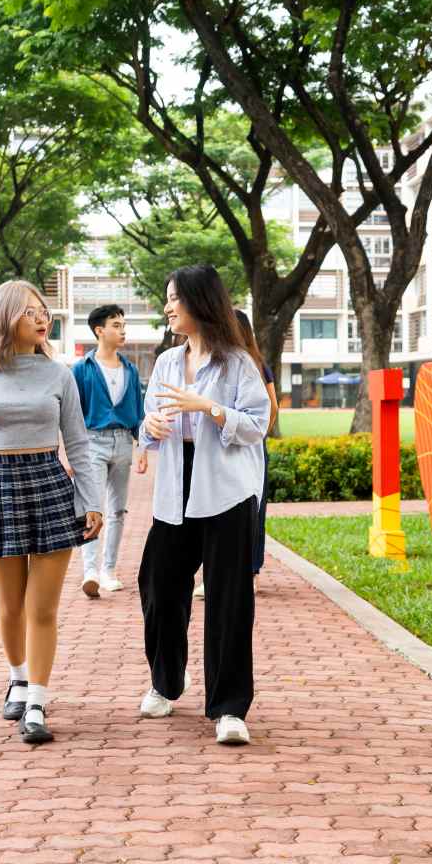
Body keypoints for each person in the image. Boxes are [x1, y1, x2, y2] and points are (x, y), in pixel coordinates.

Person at [0, 280, 103, 744]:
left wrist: (92, 501)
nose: (42, 320)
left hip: (51, 487)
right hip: (0, 488)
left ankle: (36, 702)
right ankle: (17, 679)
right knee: (9, 606)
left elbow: (78, 442)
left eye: (45, 313)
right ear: (5, 318)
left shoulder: (60, 375)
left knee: (43, 608)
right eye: (30, 313)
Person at [137, 265, 271, 746]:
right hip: (176, 487)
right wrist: (149, 428)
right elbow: (150, 418)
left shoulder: (237, 363)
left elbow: (257, 424)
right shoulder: (167, 362)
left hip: (227, 490)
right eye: (168, 298)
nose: (168, 307)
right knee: (157, 586)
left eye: (175, 298)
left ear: (200, 301)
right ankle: (166, 681)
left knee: (229, 600)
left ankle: (229, 708)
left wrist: (209, 408)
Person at [71, 304, 147, 599]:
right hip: (93, 443)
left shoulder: (131, 369)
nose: (122, 330)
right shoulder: (82, 369)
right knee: (92, 507)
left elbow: (138, 413)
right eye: (116, 325)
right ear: (99, 330)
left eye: (124, 325)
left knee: (117, 510)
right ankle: (90, 571)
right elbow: (71, 415)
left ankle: (109, 570)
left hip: (124, 442)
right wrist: (71, 455)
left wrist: (143, 448)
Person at [235, 308, 281, 579]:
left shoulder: (255, 364)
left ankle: (251, 571)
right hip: (232, 446)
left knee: (253, 508)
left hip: (250, 447)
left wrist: (257, 434)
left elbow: (272, 406)